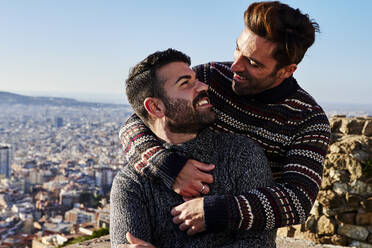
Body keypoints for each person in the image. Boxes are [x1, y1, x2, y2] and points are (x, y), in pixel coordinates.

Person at [119, 0, 330, 238]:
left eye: (252, 63)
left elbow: (297, 202)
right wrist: (168, 167)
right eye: (238, 49)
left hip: (238, 233)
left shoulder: (308, 120)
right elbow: (139, 120)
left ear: (286, 70)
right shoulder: (212, 76)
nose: (235, 66)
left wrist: (215, 210)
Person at [110, 49, 275, 248]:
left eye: (196, 79)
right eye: (185, 83)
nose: (204, 86)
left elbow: (258, 244)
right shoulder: (131, 184)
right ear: (155, 108)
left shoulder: (242, 154)